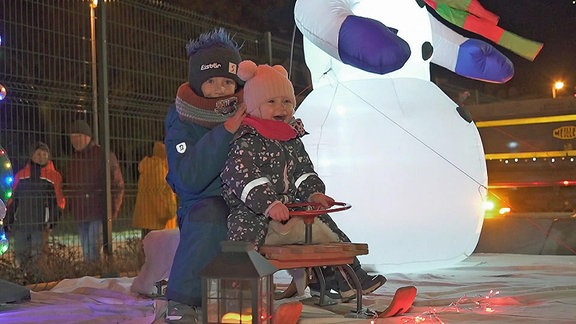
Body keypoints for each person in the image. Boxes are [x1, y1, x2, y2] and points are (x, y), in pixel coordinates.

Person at [221, 60, 386, 301]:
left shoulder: (290, 138)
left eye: (287, 101)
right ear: (255, 105)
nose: (282, 107)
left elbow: (303, 171)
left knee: (324, 226)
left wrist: (313, 193)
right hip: (252, 210)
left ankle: (346, 279)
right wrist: (268, 203)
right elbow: (241, 175)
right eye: (271, 102)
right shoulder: (247, 139)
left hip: (289, 207)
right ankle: (243, 293)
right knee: (244, 239)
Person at [163, 27, 246, 322]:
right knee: (210, 215)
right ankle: (183, 303)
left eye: (227, 80)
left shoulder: (250, 110)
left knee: (301, 210)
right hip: (202, 204)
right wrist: (225, 133)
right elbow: (188, 178)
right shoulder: (182, 117)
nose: (221, 88)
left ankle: (337, 278)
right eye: (211, 81)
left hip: (249, 199)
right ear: (198, 83)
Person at [64, 119, 124, 263]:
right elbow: (69, 186)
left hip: (98, 212)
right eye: (72, 138)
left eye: (78, 137)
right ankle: (92, 276)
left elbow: (117, 184)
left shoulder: (103, 155)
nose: (75, 141)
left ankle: (95, 277)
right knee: (87, 251)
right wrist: (72, 206)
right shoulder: (74, 160)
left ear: (88, 137)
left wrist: (112, 209)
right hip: (81, 213)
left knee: (92, 251)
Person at [5, 141, 65, 267]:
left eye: (45, 154)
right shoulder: (21, 175)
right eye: (38, 154)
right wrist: (9, 220)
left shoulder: (54, 176)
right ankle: (24, 280)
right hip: (22, 223)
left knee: (38, 257)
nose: (42, 157)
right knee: (20, 255)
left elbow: (59, 201)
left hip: (40, 226)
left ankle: (39, 280)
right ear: (31, 155)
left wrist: (52, 221)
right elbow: (13, 200)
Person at [132, 141, 177, 238]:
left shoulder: (147, 168)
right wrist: (171, 212)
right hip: (160, 223)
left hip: (145, 219)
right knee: (162, 250)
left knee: (148, 249)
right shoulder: (161, 170)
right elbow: (164, 194)